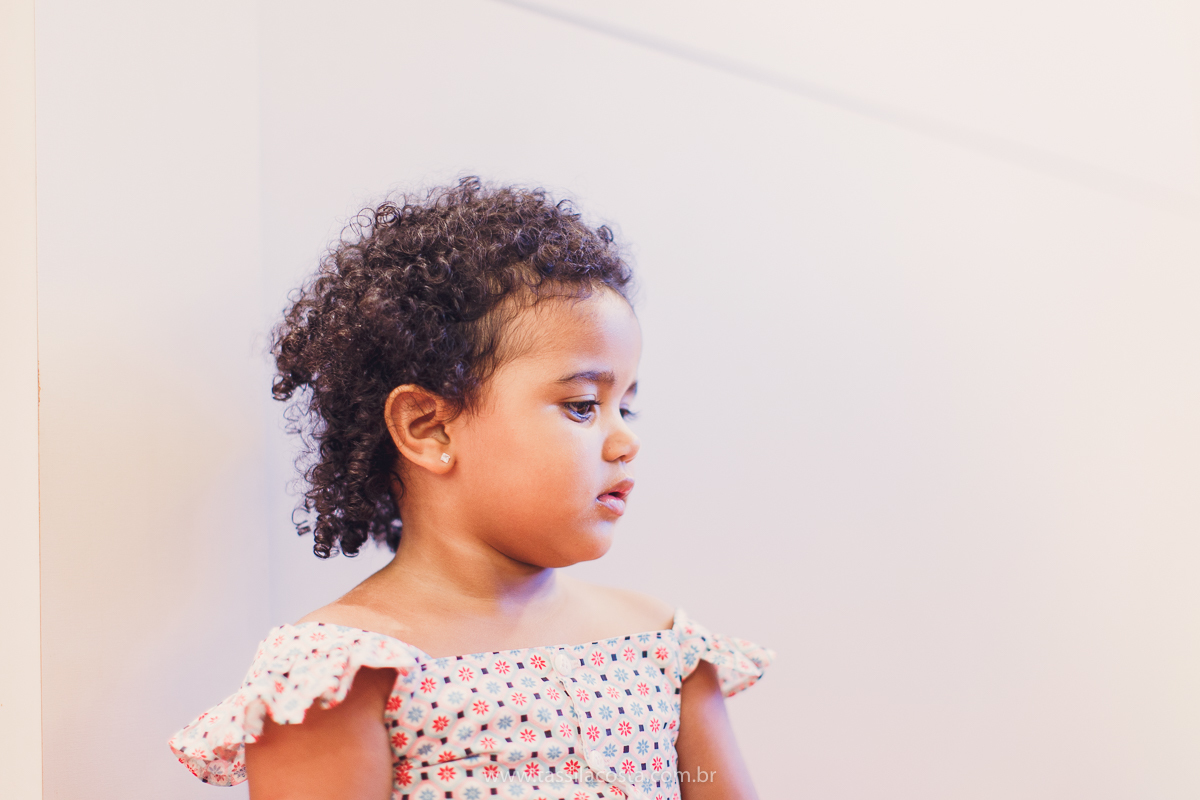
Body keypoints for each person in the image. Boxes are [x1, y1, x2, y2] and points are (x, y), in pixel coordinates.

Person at [169, 177, 773, 800]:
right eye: (583, 406)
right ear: (429, 427)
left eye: (627, 407)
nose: (625, 441)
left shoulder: (663, 647)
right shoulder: (334, 676)